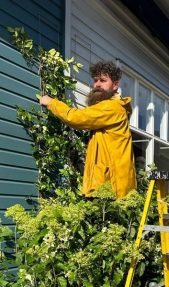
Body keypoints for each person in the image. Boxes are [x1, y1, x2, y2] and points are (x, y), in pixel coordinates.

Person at [40, 60, 136, 198]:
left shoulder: (112, 107)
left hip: (111, 187)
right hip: (112, 184)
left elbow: (77, 118)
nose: (97, 84)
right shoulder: (109, 107)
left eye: (103, 80)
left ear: (115, 85)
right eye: (95, 80)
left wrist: (51, 102)